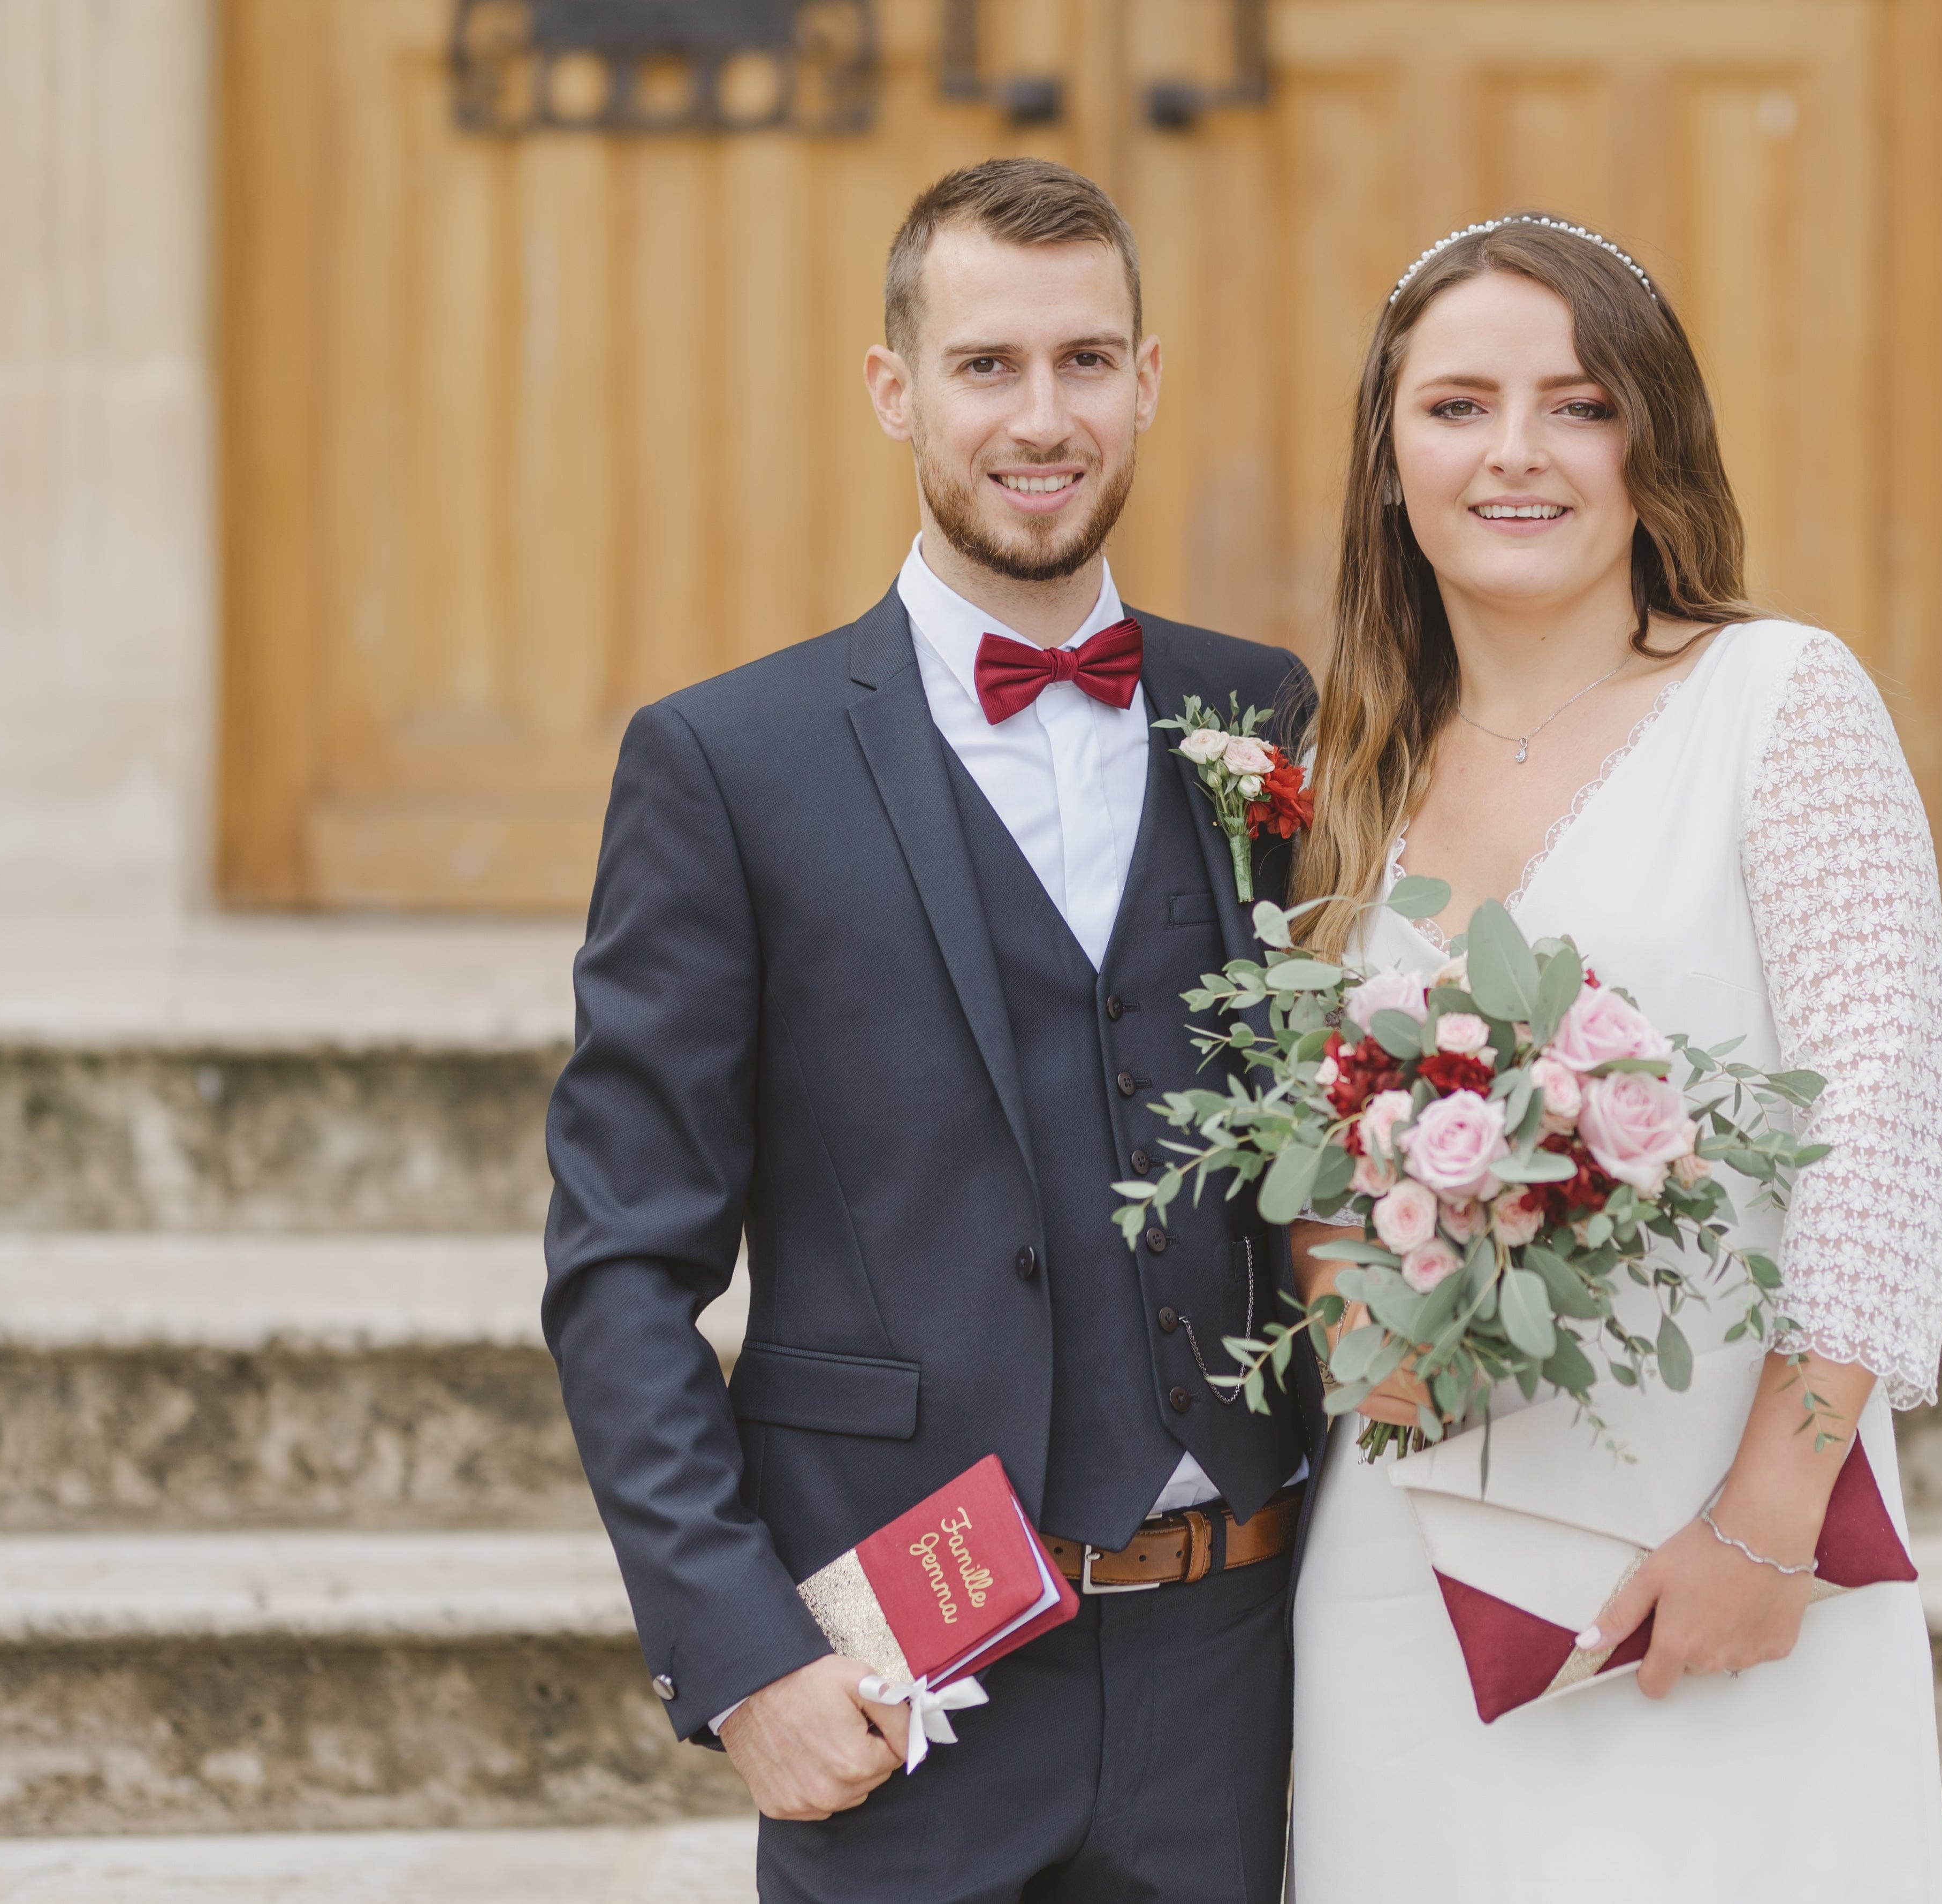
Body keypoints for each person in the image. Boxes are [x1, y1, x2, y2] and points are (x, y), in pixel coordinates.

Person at [541, 158, 1314, 1904]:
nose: (1043, 419)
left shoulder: (1263, 717)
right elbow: (617, 1269)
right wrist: (739, 1656)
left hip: (1237, 1658)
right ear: (895, 389)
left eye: (1087, 363)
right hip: (902, 1683)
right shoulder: (726, 765)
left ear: (1148, 379)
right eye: (987, 366)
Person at [1282, 215, 1942, 1898]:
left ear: (1653, 444)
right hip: (1413, 1549)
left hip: (1722, 1527)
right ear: (1387, 459)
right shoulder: (1339, 771)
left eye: (1576, 405)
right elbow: (1297, 1140)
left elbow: (1885, 1122)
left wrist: (1765, 1522)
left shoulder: (1780, 702)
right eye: (1456, 408)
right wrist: (1359, 1332)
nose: (1514, 454)